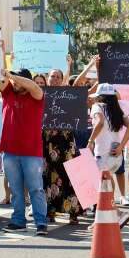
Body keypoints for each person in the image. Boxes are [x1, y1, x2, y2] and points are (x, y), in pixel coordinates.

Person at [0, 68, 47, 235]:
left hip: (31, 151)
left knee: (35, 188)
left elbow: (33, 86)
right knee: (16, 190)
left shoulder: (36, 95)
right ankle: (18, 220)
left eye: (18, 80)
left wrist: (14, 77)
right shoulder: (8, 93)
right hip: (10, 150)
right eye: (13, 80)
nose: (14, 83)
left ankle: (41, 222)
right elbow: (1, 79)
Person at [88, 83, 129, 229]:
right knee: (104, 187)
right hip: (115, 155)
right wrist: (121, 146)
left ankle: (119, 214)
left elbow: (100, 122)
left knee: (100, 190)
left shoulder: (97, 107)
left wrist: (90, 140)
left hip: (102, 155)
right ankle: (100, 220)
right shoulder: (116, 109)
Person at [42, 63, 83, 225]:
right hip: (49, 142)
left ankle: (73, 212)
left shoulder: (69, 94)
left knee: (70, 176)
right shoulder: (41, 94)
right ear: (48, 79)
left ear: (62, 79)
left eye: (58, 77)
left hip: (66, 142)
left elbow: (78, 81)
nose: (55, 79)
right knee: (50, 176)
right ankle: (50, 211)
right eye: (52, 76)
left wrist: (70, 65)